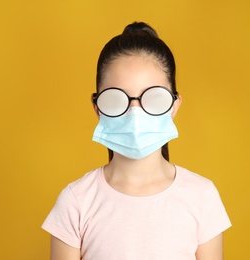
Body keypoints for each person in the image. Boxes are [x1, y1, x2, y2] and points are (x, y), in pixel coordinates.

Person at [42, 21, 231, 260]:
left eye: (152, 97)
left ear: (174, 105)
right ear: (97, 106)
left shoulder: (202, 196)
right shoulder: (76, 201)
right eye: (116, 98)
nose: (135, 111)